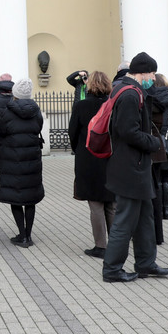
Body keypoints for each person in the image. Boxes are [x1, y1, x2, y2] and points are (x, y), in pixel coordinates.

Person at [102, 51, 168, 283]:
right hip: (130, 166)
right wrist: (155, 142)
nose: (153, 77)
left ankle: (145, 263)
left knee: (144, 217)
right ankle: (112, 269)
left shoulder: (129, 90)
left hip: (135, 165)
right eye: (151, 73)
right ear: (143, 73)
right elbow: (127, 131)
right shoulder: (131, 94)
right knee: (125, 220)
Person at [68, 71, 113, 258]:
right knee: (112, 203)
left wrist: (78, 149)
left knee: (95, 204)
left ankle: (101, 246)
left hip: (88, 157)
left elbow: (72, 132)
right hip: (111, 156)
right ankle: (117, 243)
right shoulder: (113, 105)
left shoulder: (82, 105)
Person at [0, 78, 45, 248]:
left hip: (12, 158)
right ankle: (28, 235)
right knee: (30, 198)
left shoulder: (8, 112)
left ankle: (21, 235)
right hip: (31, 158)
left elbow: (0, 130)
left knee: (16, 197)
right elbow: (38, 127)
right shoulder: (36, 111)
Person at [151, 75, 168, 221]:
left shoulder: (150, 97)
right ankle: (166, 210)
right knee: (167, 177)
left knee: (157, 178)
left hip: (155, 138)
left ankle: (158, 209)